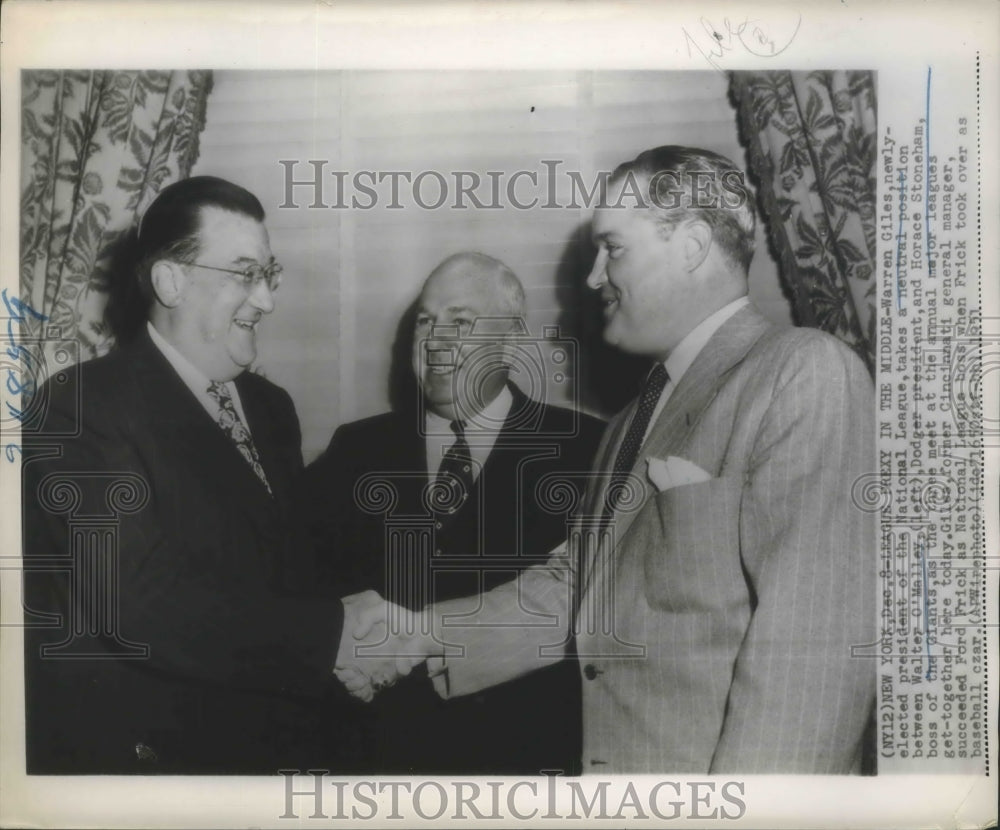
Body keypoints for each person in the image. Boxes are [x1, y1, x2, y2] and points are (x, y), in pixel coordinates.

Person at [341, 147, 877, 774]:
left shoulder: (802, 374)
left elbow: (814, 661)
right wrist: (412, 631)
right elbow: (578, 593)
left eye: (613, 249)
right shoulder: (632, 420)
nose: (595, 276)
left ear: (693, 245)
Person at [22, 176, 363, 774]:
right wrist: (336, 637)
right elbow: (138, 604)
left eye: (269, 274)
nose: (267, 301)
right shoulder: (81, 406)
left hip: (272, 745)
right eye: (243, 274)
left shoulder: (271, 406)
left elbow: (286, 565)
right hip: (159, 762)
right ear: (170, 281)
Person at [299, 252, 605, 774]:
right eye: (425, 321)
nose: (435, 340)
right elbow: (303, 586)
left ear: (510, 341)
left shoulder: (586, 451)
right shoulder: (356, 450)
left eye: (460, 322)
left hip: (524, 776)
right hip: (376, 768)